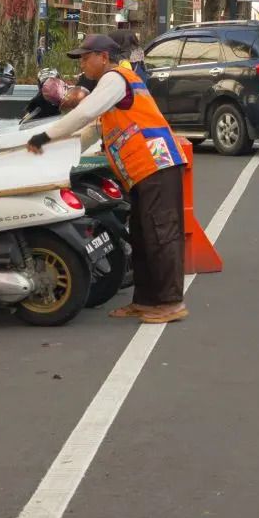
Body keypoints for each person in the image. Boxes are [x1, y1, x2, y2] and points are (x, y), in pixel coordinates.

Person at [26, 34, 188, 324]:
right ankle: (145, 301)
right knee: (142, 237)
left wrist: (45, 137)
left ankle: (171, 302)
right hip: (141, 171)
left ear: (103, 57)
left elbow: (85, 113)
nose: (82, 64)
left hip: (157, 165)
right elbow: (92, 129)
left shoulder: (115, 79)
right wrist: (54, 152)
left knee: (161, 235)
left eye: (86, 58)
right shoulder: (110, 87)